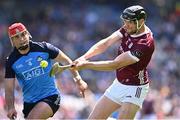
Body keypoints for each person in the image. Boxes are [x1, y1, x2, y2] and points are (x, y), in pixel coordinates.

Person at [73, 5, 155, 119]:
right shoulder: (129, 28)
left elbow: (115, 64)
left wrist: (86, 65)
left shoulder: (144, 44)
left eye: (129, 22)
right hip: (119, 83)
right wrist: (84, 57)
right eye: (125, 21)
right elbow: (106, 43)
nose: (126, 25)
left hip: (136, 87)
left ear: (141, 21)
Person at [4, 22, 88, 119]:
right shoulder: (11, 61)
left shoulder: (44, 48)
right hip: (29, 104)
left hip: (51, 97)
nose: (22, 39)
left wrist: (78, 80)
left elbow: (67, 61)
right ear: (12, 41)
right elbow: (9, 88)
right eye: (17, 37)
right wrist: (10, 107)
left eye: (23, 34)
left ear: (28, 34)